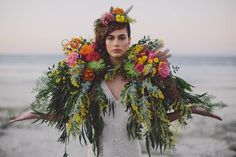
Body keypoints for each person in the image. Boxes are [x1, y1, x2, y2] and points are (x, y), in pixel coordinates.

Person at [9, 6, 222, 157]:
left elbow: (160, 119)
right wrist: (37, 113)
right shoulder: (89, 78)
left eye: (121, 37)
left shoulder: (143, 77)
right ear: (103, 41)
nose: (116, 43)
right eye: (110, 38)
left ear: (129, 40)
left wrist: (191, 109)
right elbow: (71, 117)